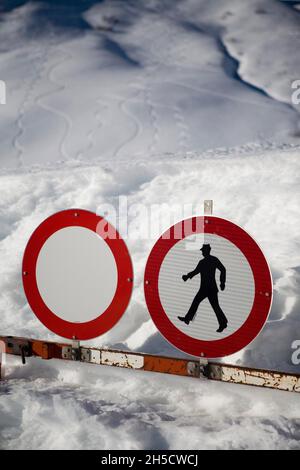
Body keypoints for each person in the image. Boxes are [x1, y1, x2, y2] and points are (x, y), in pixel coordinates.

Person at [178, 244, 228, 332]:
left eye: (203, 251)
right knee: (197, 302)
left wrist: (222, 282)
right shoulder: (202, 262)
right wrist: (187, 276)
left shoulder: (213, 260)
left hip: (211, 288)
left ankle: (223, 323)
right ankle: (187, 319)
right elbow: (196, 271)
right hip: (204, 288)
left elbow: (223, 269)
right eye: (202, 251)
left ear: (207, 251)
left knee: (215, 306)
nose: (202, 253)